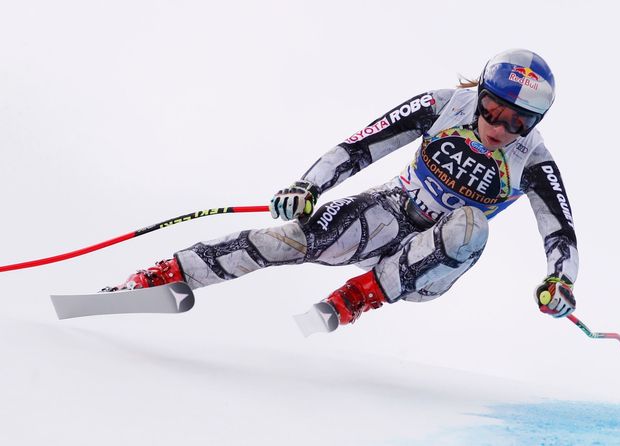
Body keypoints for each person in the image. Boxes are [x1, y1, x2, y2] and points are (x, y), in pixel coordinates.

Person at [105, 48, 578, 334]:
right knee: (285, 239)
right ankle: (159, 276)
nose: (499, 127)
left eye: (518, 121)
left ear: (535, 123)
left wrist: (561, 282)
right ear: (480, 95)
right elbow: (360, 146)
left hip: (435, 262)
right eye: (494, 109)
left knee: (471, 223)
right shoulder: (442, 105)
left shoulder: (532, 161)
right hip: (391, 211)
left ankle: (355, 299)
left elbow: (561, 233)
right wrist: (307, 185)